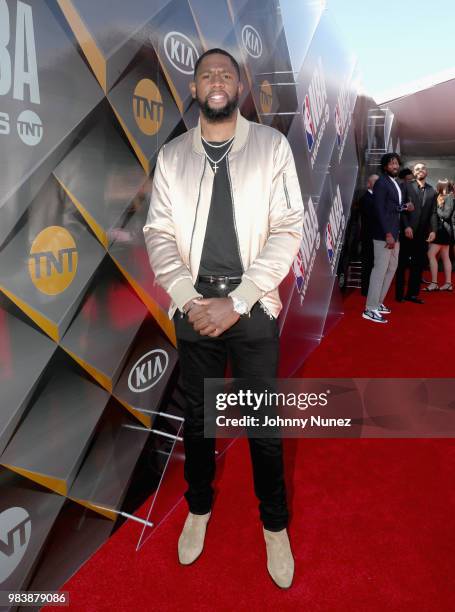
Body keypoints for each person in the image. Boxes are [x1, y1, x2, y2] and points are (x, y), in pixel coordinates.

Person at [143, 48, 303, 588]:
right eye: (206, 74)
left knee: (262, 426)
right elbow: (158, 234)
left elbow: (287, 229)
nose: (216, 81)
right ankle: (199, 509)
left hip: (252, 305)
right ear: (193, 89)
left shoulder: (272, 146)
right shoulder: (172, 157)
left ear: (240, 85)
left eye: (225, 74)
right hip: (194, 307)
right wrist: (191, 298)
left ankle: (275, 526)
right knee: (198, 423)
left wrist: (237, 300)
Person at [362, 153, 412, 323]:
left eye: (397, 163)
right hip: (385, 235)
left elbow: (391, 207)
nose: (395, 166)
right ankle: (370, 309)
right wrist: (388, 234)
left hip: (394, 233)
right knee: (380, 271)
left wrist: (405, 206)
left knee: (392, 268)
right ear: (385, 166)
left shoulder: (395, 183)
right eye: (391, 164)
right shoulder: (382, 183)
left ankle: (378, 302)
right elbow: (379, 210)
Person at [395, 162, 436, 303]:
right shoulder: (406, 186)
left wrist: (434, 231)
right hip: (407, 232)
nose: (420, 170)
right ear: (414, 172)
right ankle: (399, 294)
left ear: (426, 171)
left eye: (423, 168)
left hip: (422, 234)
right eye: (417, 169)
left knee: (418, 266)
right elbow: (399, 207)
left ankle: (412, 294)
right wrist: (406, 226)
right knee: (402, 264)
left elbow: (433, 213)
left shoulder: (432, 190)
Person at [425, 179, 453, 291]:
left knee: (431, 254)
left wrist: (435, 210)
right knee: (445, 256)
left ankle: (434, 283)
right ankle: (448, 283)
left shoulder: (449, 198)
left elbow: (446, 215)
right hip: (443, 230)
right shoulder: (441, 197)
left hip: (443, 231)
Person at [359, 174, 379, 295]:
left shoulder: (378, 198)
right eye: (375, 182)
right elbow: (371, 218)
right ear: (368, 184)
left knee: (375, 264)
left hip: (377, 237)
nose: (378, 184)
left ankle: (372, 289)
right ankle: (366, 290)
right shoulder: (365, 199)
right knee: (368, 263)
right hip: (369, 237)